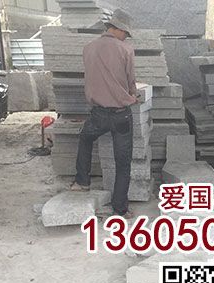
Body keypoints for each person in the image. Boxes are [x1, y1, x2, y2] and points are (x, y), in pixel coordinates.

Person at [75, 8, 138, 217]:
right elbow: (130, 82)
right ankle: (120, 209)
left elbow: (92, 77)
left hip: (98, 115)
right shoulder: (126, 50)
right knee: (123, 163)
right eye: (126, 33)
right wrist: (132, 94)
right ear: (118, 29)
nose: (126, 37)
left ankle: (82, 181)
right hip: (121, 115)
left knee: (85, 138)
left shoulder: (89, 48)